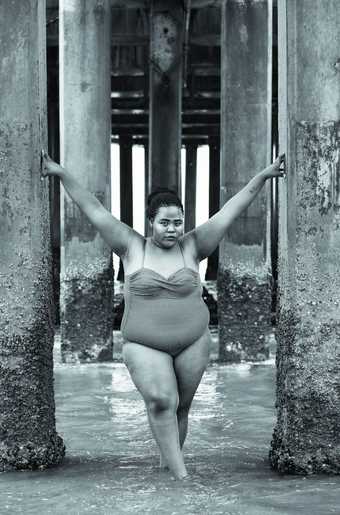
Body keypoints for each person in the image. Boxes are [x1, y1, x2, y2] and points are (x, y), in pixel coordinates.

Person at [42, 150, 285, 480]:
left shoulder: (193, 246)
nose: (171, 229)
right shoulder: (131, 246)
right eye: (164, 223)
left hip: (193, 342)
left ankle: (166, 472)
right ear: (150, 222)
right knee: (160, 401)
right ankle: (183, 479)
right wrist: (60, 172)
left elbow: (232, 211)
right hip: (143, 344)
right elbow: (92, 209)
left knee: (180, 409)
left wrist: (262, 176)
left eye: (177, 223)